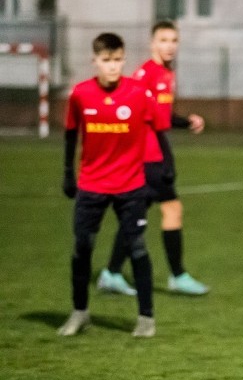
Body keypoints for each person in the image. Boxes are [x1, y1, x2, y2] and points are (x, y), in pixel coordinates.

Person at [58, 32, 174, 338]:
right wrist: (68, 173)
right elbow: (71, 134)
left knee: (137, 248)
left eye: (118, 60)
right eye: (106, 60)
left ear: (124, 59)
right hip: (91, 185)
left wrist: (167, 165)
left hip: (130, 185)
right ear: (94, 61)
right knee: (82, 248)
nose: (113, 66)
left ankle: (146, 318)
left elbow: (160, 129)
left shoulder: (138, 93)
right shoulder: (80, 94)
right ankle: (79, 312)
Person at [97, 20, 209, 297]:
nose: (169, 46)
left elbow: (157, 116)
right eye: (163, 40)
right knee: (168, 210)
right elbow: (155, 118)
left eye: (173, 40)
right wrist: (188, 122)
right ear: (152, 44)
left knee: (139, 215)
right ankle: (177, 276)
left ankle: (112, 273)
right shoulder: (151, 74)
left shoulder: (162, 73)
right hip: (148, 156)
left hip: (149, 154)